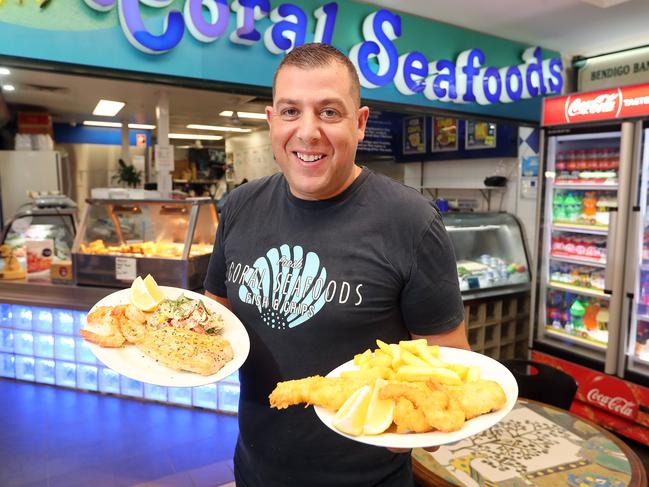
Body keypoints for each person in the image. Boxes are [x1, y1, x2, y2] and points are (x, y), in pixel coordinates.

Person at [204, 43, 469, 487]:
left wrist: (428, 423)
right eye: (291, 111)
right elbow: (218, 316)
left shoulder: (411, 221)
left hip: (368, 480)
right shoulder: (239, 206)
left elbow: (450, 365)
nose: (307, 132)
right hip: (255, 469)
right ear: (271, 120)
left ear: (360, 123)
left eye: (329, 112)